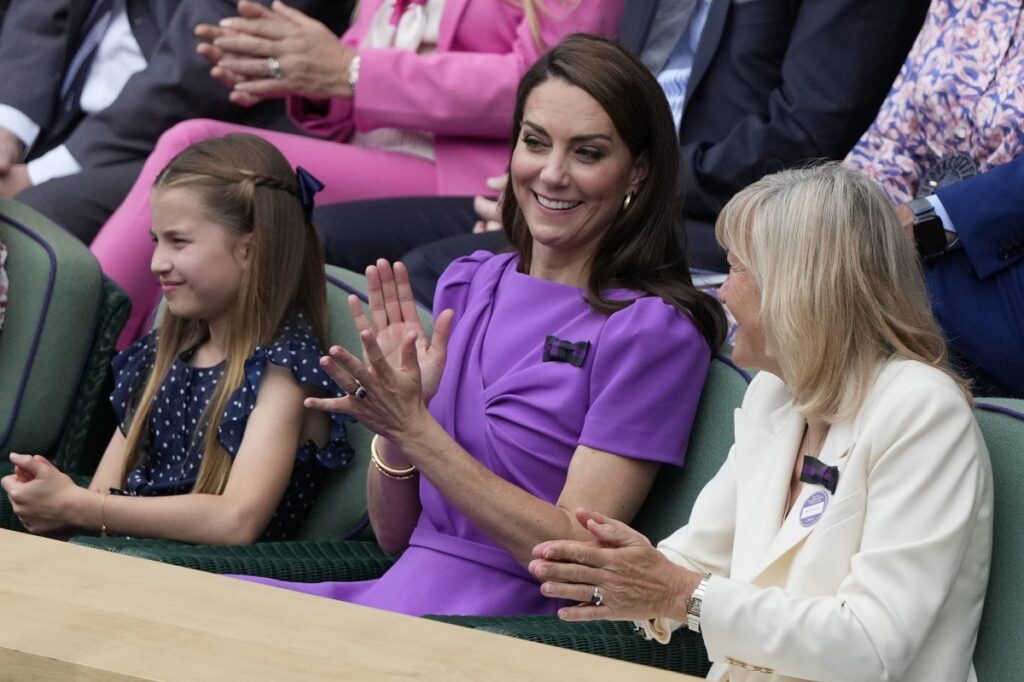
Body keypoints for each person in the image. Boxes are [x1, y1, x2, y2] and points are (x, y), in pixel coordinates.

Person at [236, 34, 727, 617]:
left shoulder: (652, 330)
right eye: (535, 142)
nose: (551, 173)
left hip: (506, 629)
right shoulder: (468, 282)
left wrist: (417, 430)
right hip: (395, 595)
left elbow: (573, 553)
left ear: (638, 174)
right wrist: (396, 424)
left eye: (588, 153)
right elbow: (397, 535)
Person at [528, 163, 993, 681]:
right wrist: (619, 571)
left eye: (737, 268)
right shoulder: (777, 394)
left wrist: (678, 592)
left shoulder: (923, 411)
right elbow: (695, 558)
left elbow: (870, 647)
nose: (722, 292)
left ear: (799, 286)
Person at [311, 0, 931, 306]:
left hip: (719, 213)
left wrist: (615, 183)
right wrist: (547, 174)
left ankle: (411, 500)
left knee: (433, 273)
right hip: (604, 177)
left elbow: (802, 135)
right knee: (322, 232)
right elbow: (598, 82)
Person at [88, 0, 622, 346]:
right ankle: (144, 379)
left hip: (466, 174)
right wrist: (297, 70)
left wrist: (351, 73)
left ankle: (82, 344)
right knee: (207, 200)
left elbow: (547, 88)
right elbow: (352, 65)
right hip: (370, 151)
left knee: (202, 150)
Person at [0, 134, 352, 543]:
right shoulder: (164, 352)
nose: (157, 263)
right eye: (156, 241)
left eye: (178, 241)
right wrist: (56, 499)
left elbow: (236, 520)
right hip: (124, 569)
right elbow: (103, 496)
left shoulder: (284, 369)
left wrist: (81, 506)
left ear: (249, 251)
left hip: (209, 587)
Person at [0, 0, 350, 243]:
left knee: (36, 217)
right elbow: (38, 17)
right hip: (59, 105)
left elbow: (196, 71)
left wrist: (38, 174)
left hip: (194, 133)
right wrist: (8, 127)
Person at [845, 0, 1024, 397]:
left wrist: (929, 221)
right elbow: (894, 138)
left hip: (1000, 283)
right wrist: (840, 219)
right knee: (784, 283)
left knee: (836, 315)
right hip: (912, 250)